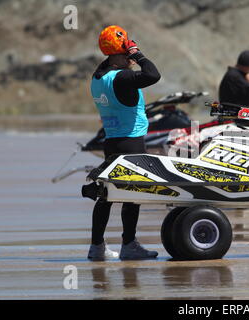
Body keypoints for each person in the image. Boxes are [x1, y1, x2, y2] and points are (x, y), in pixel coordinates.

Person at [88, 25, 161, 261]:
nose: (131, 57)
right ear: (122, 51)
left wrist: (121, 53)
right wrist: (138, 54)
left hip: (111, 142)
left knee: (106, 195)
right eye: (127, 50)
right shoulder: (123, 78)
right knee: (131, 196)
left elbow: (107, 65)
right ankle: (129, 245)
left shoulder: (99, 78)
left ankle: (96, 247)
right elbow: (153, 74)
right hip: (131, 142)